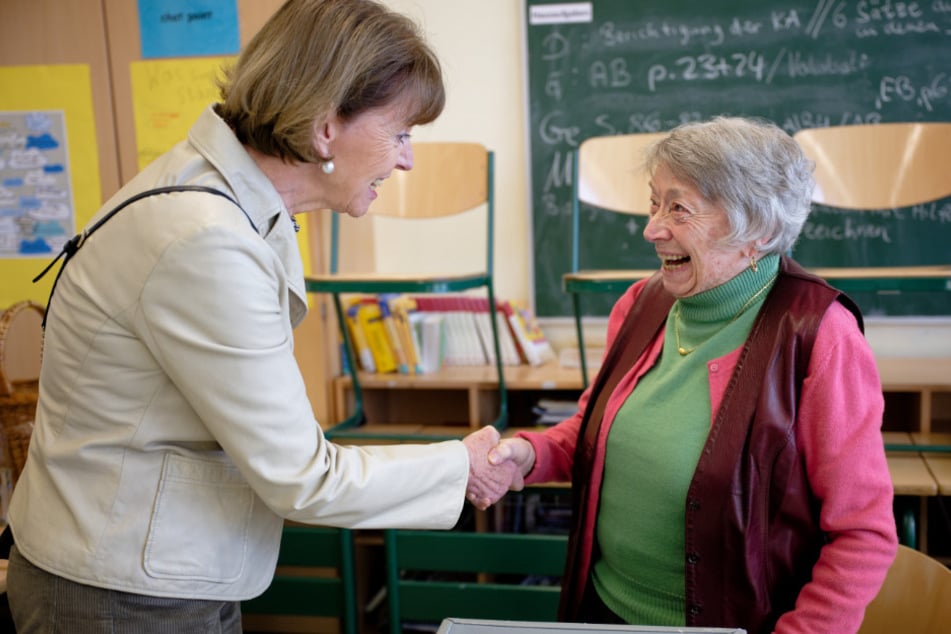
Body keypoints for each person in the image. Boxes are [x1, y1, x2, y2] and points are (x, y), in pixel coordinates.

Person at [5, 0, 516, 631]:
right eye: (401, 133)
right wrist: (461, 466)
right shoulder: (203, 237)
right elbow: (302, 477)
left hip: (153, 568)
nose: (406, 160)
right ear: (326, 127)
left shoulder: (227, 198)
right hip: (118, 592)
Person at [486, 116, 898, 634]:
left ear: (760, 230)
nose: (652, 228)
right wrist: (530, 453)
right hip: (602, 610)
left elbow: (863, 534)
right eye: (654, 202)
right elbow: (592, 430)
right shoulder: (639, 304)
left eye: (678, 208)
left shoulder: (820, 335)